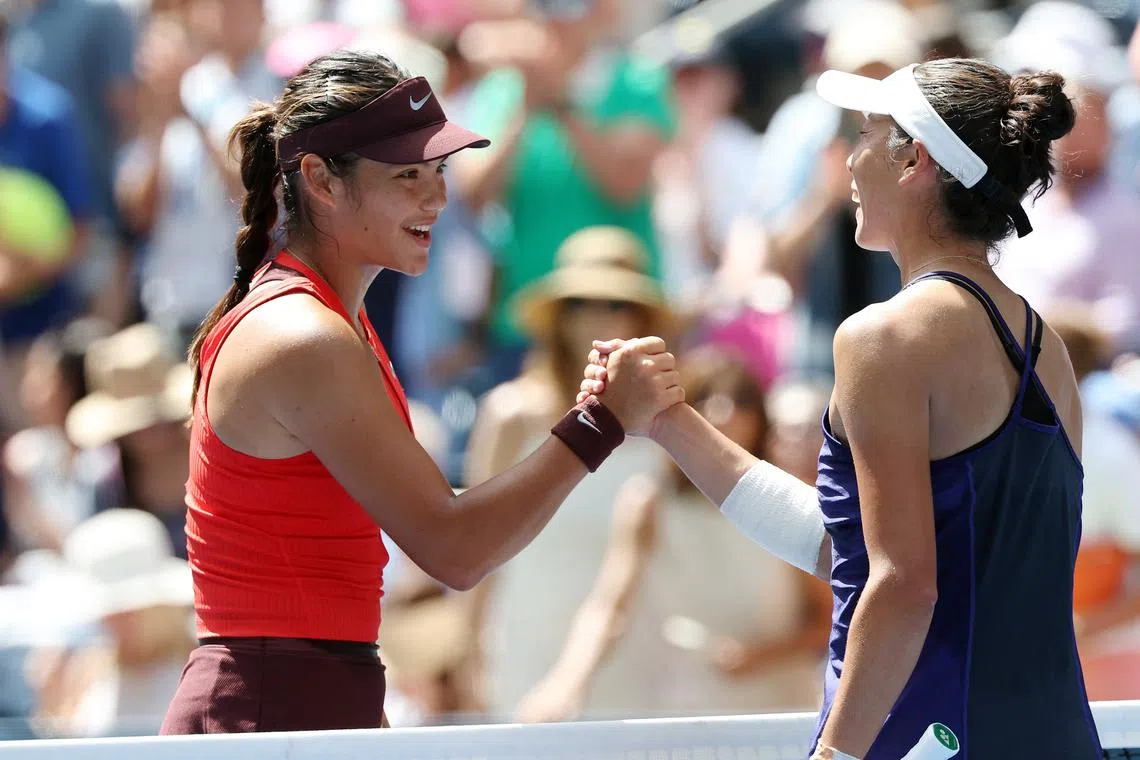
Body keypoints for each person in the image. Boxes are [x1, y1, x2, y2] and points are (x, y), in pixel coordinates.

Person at [583, 58, 1101, 758]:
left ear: (915, 158)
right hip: (1054, 735)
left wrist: (836, 752)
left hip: (929, 734)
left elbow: (904, 584)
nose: (850, 161)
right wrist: (669, 423)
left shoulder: (882, 337)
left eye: (864, 135)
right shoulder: (1047, 348)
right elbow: (859, 555)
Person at [159, 49, 682, 735]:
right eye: (407, 176)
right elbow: (453, 548)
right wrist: (600, 422)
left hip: (299, 703)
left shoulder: (325, 324)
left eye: (436, 171)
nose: (436, 198)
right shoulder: (304, 335)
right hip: (272, 712)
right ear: (319, 179)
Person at [514, 347, 828, 723]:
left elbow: (826, 619)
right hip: (686, 705)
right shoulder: (648, 502)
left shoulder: (785, 501)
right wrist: (566, 683)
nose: (723, 412)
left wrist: (762, 656)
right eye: (708, 398)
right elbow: (610, 603)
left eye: (740, 400)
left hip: (779, 710)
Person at [462, 226, 673, 719]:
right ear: (559, 317)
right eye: (581, 302)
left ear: (641, 315)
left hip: (639, 654)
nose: (598, 317)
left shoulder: (668, 421)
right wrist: (466, 650)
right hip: (522, 644)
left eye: (615, 303)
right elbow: (477, 540)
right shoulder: (511, 413)